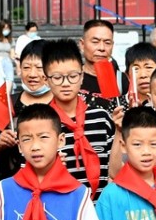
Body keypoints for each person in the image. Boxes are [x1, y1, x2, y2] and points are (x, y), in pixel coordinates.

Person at [43, 39, 115, 197]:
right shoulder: (41, 123)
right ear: (46, 80)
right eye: (57, 77)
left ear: (82, 76)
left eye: (73, 76)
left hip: (100, 207)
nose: (66, 83)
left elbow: (115, 170)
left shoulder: (101, 118)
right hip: (60, 207)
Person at [79, 19, 124, 99]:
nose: (102, 48)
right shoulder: (72, 77)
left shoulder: (120, 79)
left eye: (107, 43)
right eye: (95, 42)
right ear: (82, 45)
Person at [0, 19, 15, 89]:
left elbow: (12, 54)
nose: (6, 30)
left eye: (8, 28)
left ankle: (8, 96)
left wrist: (16, 57)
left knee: (9, 83)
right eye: (4, 28)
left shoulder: (11, 40)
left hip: (8, 62)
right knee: (0, 84)